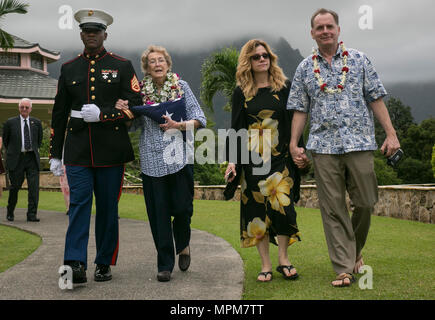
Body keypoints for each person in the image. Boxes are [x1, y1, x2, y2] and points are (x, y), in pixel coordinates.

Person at [287, 8, 401, 287]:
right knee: (333, 208)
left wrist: (391, 134)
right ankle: (343, 268)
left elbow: (375, 98)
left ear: (338, 30)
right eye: (319, 28)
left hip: (360, 142)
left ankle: (354, 249)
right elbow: (300, 109)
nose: (325, 31)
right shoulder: (304, 68)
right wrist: (293, 144)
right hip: (323, 147)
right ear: (312, 33)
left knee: (365, 201)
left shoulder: (360, 60)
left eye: (329, 26)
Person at [49, 8, 142, 285]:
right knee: (78, 206)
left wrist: (104, 114)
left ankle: (103, 262)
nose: (91, 35)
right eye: (87, 31)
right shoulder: (68, 69)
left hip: (111, 149)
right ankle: (74, 264)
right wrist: (55, 153)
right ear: (81, 34)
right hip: (77, 148)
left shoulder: (122, 65)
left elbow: (136, 105)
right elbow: (58, 112)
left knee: (107, 209)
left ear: (105, 34)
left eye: (96, 31)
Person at [116, 45, 206, 282]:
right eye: (152, 61)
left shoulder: (181, 86)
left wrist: (178, 125)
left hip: (179, 156)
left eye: (161, 60)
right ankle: (164, 264)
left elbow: (200, 119)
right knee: (159, 214)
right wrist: (124, 111)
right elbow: (132, 125)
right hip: (152, 159)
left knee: (183, 208)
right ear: (146, 68)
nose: (157, 64)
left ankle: (183, 243)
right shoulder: (139, 92)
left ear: (168, 64)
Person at [224, 39, 309, 282]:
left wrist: (298, 150)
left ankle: (284, 259)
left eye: (265, 56)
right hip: (252, 162)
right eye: (256, 56)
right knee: (256, 213)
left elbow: (294, 122)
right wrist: (233, 161)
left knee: (284, 210)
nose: (262, 59)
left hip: (280, 158)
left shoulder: (284, 87)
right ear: (248, 62)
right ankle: (265, 264)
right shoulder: (241, 92)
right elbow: (236, 129)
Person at [2, 98, 42, 222]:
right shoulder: (10, 123)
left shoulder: (36, 123)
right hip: (17, 159)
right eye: (22, 107)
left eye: (26, 107)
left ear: (30, 109)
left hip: (31, 159)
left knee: (34, 188)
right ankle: (10, 211)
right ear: (19, 108)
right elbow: (6, 141)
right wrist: (14, 153)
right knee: (15, 187)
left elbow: (38, 141)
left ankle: (32, 214)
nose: (24, 109)